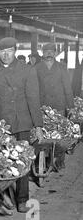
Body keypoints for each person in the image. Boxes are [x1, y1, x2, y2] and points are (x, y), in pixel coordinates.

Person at [0, 37, 44, 213]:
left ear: (16, 50)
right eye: (2, 51)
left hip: (21, 122)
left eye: (9, 51)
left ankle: (22, 199)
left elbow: (33, 98)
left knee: (22, 161)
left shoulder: (27, 70)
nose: (5, 55)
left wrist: (37, 125)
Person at [35, 42, 74, 170]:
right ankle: (46, 160)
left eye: (52, 51)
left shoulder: (62, 68)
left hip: (59, 105)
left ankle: (60, 159)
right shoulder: (36, 68)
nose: (49, 54)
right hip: (42, 106)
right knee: (44, 134)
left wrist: (71, 106)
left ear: (56, 53)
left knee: (60, 133)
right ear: (42, 53)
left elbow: (67, 88)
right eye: (46, 51)